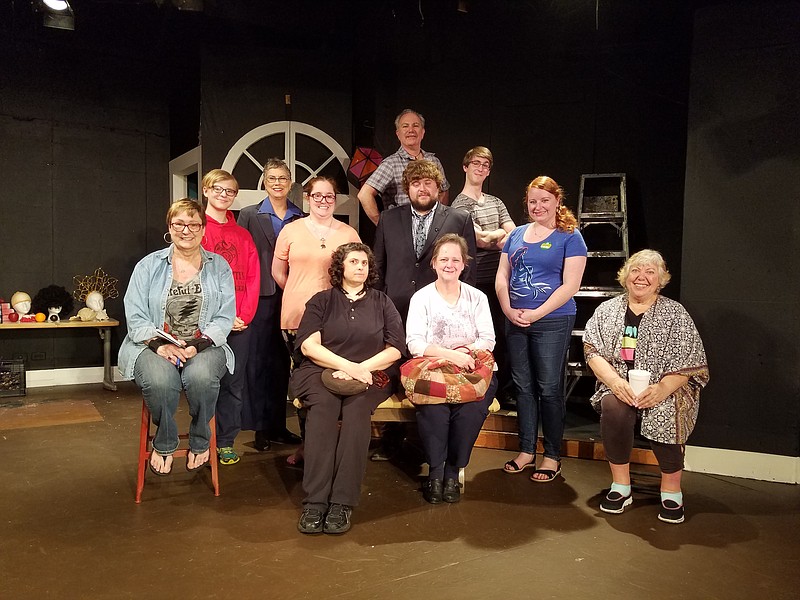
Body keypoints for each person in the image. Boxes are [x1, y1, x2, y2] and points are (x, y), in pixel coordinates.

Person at [583, 250, 709, 524]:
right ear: (625, 276)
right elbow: (592, 352)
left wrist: (663, 388)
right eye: (635, 271)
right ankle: (621, 486)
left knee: (667, 410)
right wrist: (616, 383)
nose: (641, 277)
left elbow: (690, 361)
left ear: (661, 279)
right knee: (614, 408)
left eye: (650, 272)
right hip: (619, 384)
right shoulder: (607, 311)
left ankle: (671, 489)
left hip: (665, 386)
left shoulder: (675, 313)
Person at [292, 243, 404, 534]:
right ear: (340, 266)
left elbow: (395, 349)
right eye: (353, 261)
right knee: (323, 411)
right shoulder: (322, 301)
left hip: (371, 373)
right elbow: (309, 346)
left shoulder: (382, 302)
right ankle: (315, 501)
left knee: (356, 416)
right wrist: (348, 366)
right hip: (320, 370)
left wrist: (361, 368)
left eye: (364, 263)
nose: (360, 267)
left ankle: (342, 502)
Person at [118, 199, 235, 475]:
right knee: (160, 381)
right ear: (169, 228)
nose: (186, 230)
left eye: (194, 224)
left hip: (205, 344)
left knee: (202, 378)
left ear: (204, 229)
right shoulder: (148, 266)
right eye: (179, 224)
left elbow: (225, 316)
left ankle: (200, 438)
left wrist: (199, 344)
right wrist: (159, 345)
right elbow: (134, 315)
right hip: (152, 345)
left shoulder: (219, 266)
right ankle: (166, 440)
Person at [372, 159, 477, 461]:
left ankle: (430, 444)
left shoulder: (458, 218)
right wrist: (378, 307)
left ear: (439, 187)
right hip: (396, 308)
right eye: (416, 183)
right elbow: (378, 265)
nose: (422, 188)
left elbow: (467, 267)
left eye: (428, 182)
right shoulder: (390, 218)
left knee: (434, 372)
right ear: (408, 188)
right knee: (395, 371)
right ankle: (393, 440)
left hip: (439, 312)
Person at [497, 176, 587, 481]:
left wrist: (536, 314)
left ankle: (551, 455)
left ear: (557, 201)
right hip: (516, 320)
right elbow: (502, 277)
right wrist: (509, 310)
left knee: (549, 388)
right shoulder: (516, 235)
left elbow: (570, 285)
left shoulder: (570, 236)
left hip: (553, 320)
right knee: (523, 387)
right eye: (533, 201)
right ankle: (526, 450)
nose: (538, 206)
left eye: (544, 200)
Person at [406, 234, 498, 504]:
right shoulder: (421, 298)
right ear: (434, 263)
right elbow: (415, 343)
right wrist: (449, 355)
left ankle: (452, 471)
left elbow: (488, 338)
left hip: (471, 368)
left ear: (464, 264)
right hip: (432, 367)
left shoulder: (477, 297)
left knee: (471, 409)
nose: (449, 264)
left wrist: (464, 354)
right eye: (443, 259)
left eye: (455, 259)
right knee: (434, 406)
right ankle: (435, 472)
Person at [237, 158, 303, 452]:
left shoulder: (300, 216)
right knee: (260, 362)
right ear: (264, 182)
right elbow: (239, 257)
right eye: (272, 178)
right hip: (261, 296)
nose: (277, 183)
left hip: (292, 295)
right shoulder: (250, 215)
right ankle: (261, 427)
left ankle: (279, 425)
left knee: (283, 364)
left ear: (290, 183)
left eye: (283, 178)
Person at [200, 169, 260, 466]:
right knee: (204, 384)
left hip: (240, 325)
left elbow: (252, 278)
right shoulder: (198, 230)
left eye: (230, 192)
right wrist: (220, 319)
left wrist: (243, 315)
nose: (224, 195)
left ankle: (225, 441)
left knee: (233, 384)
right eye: (219, 189)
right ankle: (202, 440)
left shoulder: (243, 235)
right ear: (206, 190)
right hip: (207, 324)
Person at [451, 146, 515, 405]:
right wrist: (496, 235)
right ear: (465, 167)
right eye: (475, 164)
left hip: (501, 278)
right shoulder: (458, 205)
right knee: (479, 336)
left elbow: (514, 236)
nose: (480, 169)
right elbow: (480, 239)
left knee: (503, 334)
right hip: (475, 281)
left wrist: (495, 236)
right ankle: (483, 385)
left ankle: (504, 390)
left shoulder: (496, 201)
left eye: (485, 165)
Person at [273, 176, 361, 332]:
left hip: (337, 313)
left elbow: (360, 274)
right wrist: (298, 290)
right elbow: (277, 272)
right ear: (308, 198)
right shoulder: (290, 231)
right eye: (317, 195)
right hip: (297, 313)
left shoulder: (349, 234)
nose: (323, 200)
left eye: (329, 196)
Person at [357, 109, 450, 225]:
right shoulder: (391, 164)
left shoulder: (433, 161)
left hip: (432, 232)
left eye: (415, 126)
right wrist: (382, 226)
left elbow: (444, 191)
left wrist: (439, 222)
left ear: (423, 132)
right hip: (403, 230)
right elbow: (364, 194)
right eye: (405, 126)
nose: (411, 130)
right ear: (398, 134)